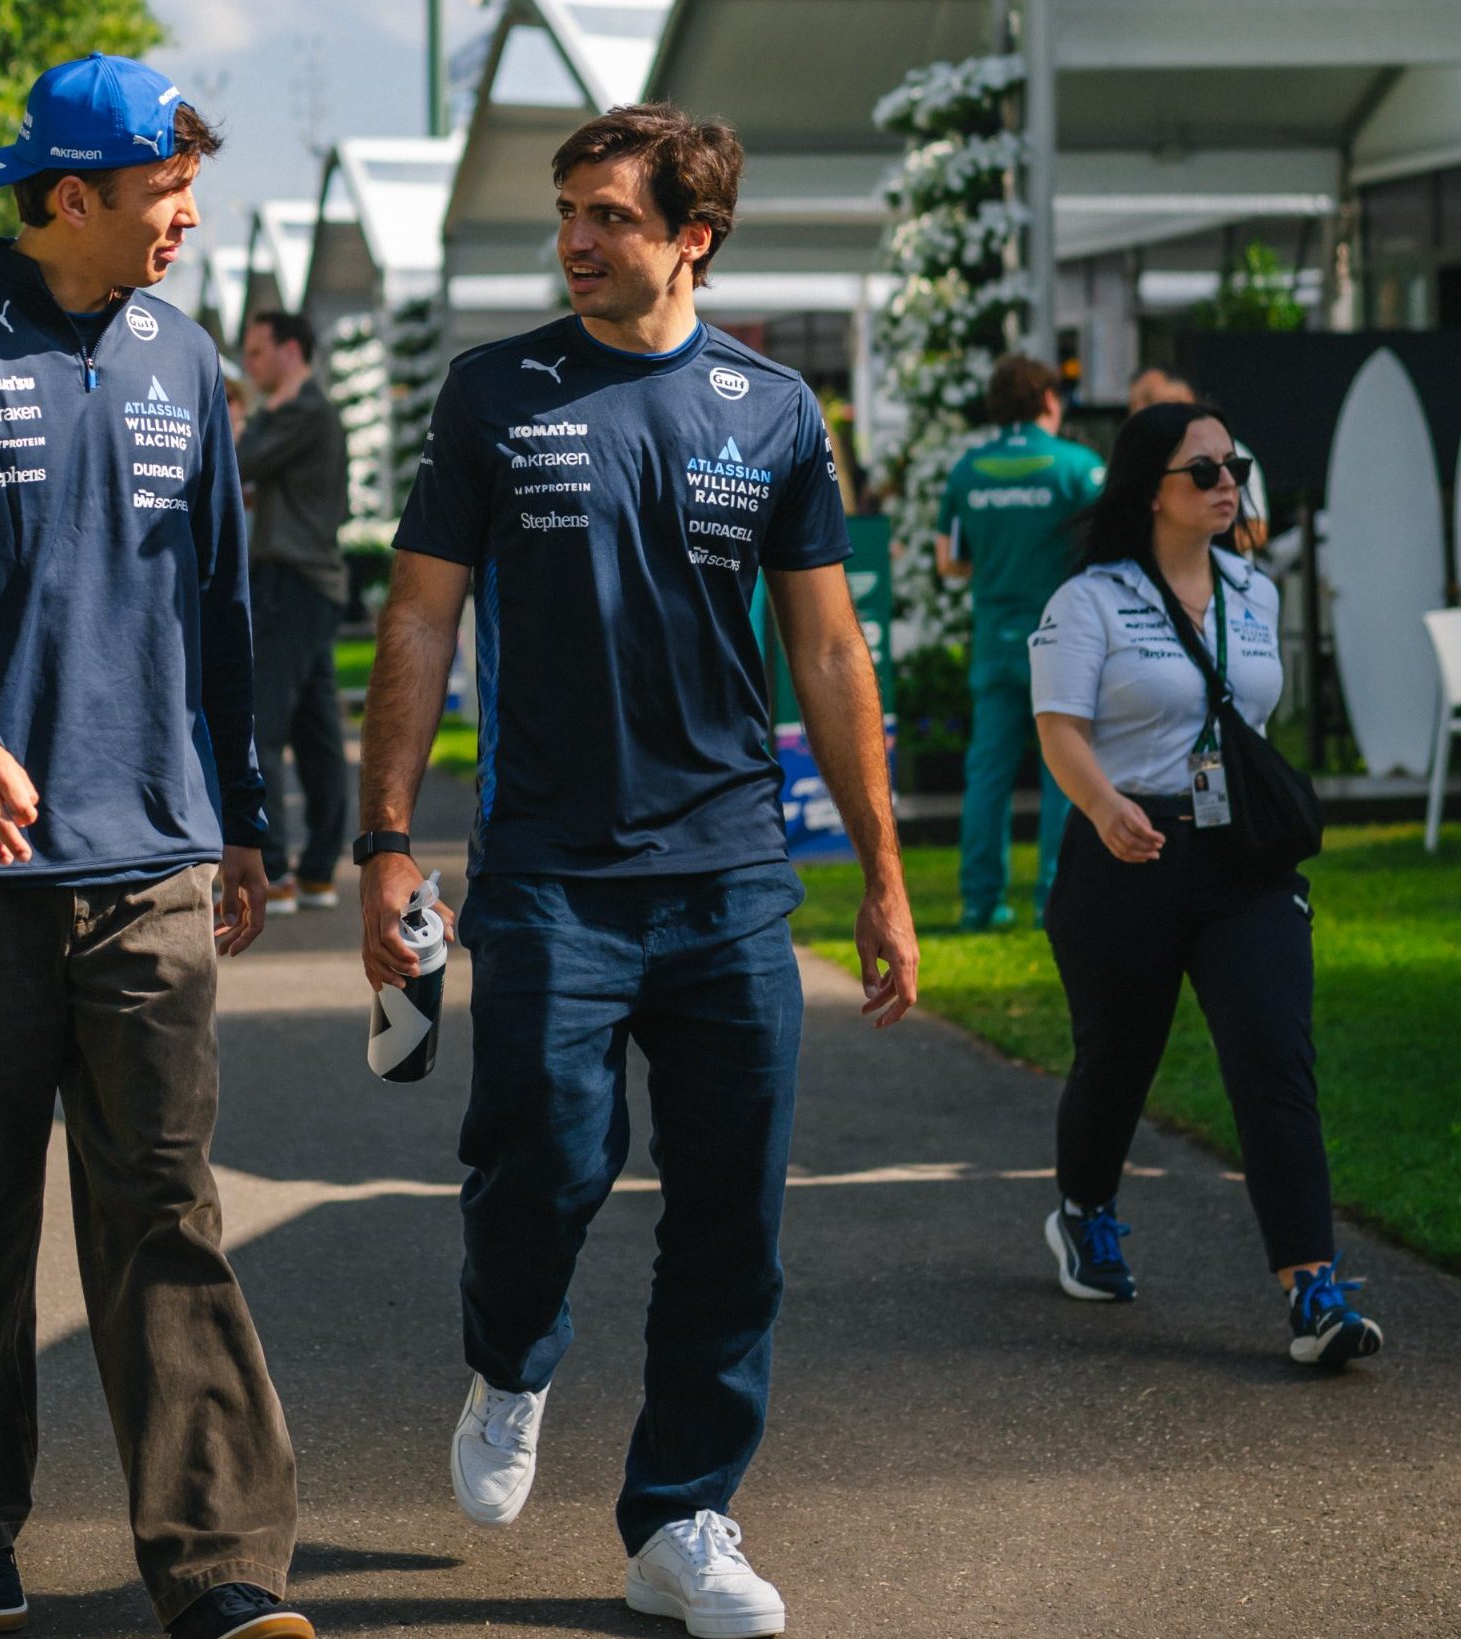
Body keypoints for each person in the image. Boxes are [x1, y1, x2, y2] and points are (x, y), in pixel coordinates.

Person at [358, 103, 918, 1639]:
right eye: (568, 212)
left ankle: (679, 1514)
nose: (577, 240)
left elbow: (825, 645)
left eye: (608, 213)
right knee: (537, 1162)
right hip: (548, 871)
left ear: (694, 234)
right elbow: (417, 618)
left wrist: (879, 868)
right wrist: (385, 841)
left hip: (732, 870)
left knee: (733, 1211)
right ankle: (514, 1355)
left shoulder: (775, 409)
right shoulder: (494, 394)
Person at [0, 52, 310, 1639]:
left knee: (164, 1202)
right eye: (163, 197)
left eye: (190, 194)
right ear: (67, 198)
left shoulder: (185, 364)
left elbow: (221, 606)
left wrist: (240, 814)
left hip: (154, 861)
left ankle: (224, 1559)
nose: (185, 222)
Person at [1029, 400, 1382, 1366]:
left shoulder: (1253, 591)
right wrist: (1103, 806)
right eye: (1204, 470)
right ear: (1152, 490)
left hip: (1243, 863)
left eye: (1235, 464)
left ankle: (1313, 1291)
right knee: (1119, 1060)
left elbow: (1251, 722)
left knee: (1274, 1055)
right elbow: (1059, 726)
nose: (1228, 482)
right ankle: (1085, 1208)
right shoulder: (1090, 601)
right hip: (1124, 856)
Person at [933, 355, 1105, 931]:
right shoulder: (1078, 468)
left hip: (996, 641)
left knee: (988, 776)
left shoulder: (968, 471)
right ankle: (1055, 898)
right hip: (1062, 643)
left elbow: (950, 562)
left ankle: (981, 903)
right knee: (1067, 772)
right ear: (1050, 402)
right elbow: (1105, 552)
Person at [236, 310, 350, 914]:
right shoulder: (317, 415)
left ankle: (275, 870)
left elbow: (238, 461)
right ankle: (317, 874)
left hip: (288, 582)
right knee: (315, 731)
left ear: (289, 351)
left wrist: (261, 411)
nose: (250, 367)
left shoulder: (300, 411)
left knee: (263, 724)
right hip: (314, 583)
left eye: (256, 354)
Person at [1126, 367, 1269, 550]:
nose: (1226, 482)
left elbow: (1256, 529)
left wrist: (1199, 555)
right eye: (1203, 472)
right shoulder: (1132, 458)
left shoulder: (1230, 450)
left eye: (1235, 469)